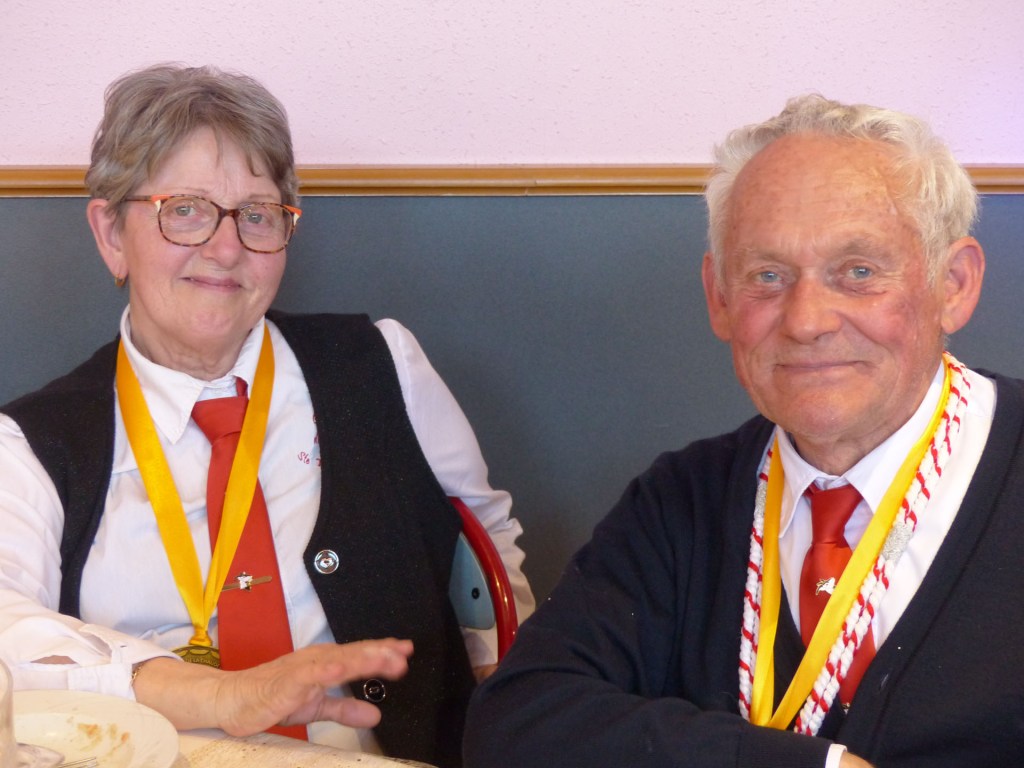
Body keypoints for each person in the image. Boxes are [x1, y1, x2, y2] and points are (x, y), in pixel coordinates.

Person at [463, 94, 1023, 768]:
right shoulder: (684, 500)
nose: (806, 320)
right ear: (719, 298)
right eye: (768, 276)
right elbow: (517, 720)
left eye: (858, 272)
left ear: (953, 285)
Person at [0, 63, 533, 768]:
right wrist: (216, 696)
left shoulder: (384, 364)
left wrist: (512, 699)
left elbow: (486, 552)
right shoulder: (29, 445)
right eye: (184, 210)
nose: (226, 249)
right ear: (111, 234)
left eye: (256, 214)